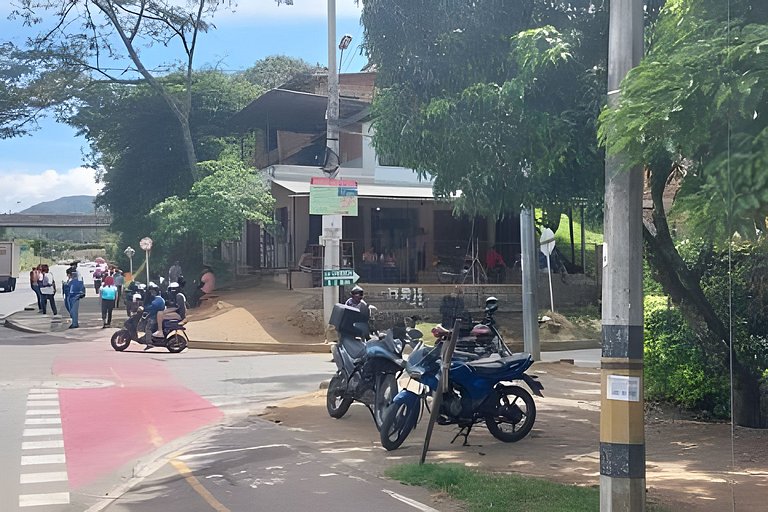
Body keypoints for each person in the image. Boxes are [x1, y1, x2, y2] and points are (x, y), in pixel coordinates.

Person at [143, 284, 165, 349]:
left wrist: (145, 308)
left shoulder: (158, 300)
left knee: (148, 328)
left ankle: (149, 343)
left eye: (153, 291)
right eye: (151, 291)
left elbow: (151, 307)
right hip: (154, 316)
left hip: (154, 317)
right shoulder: (156, 299)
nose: (151, 292)